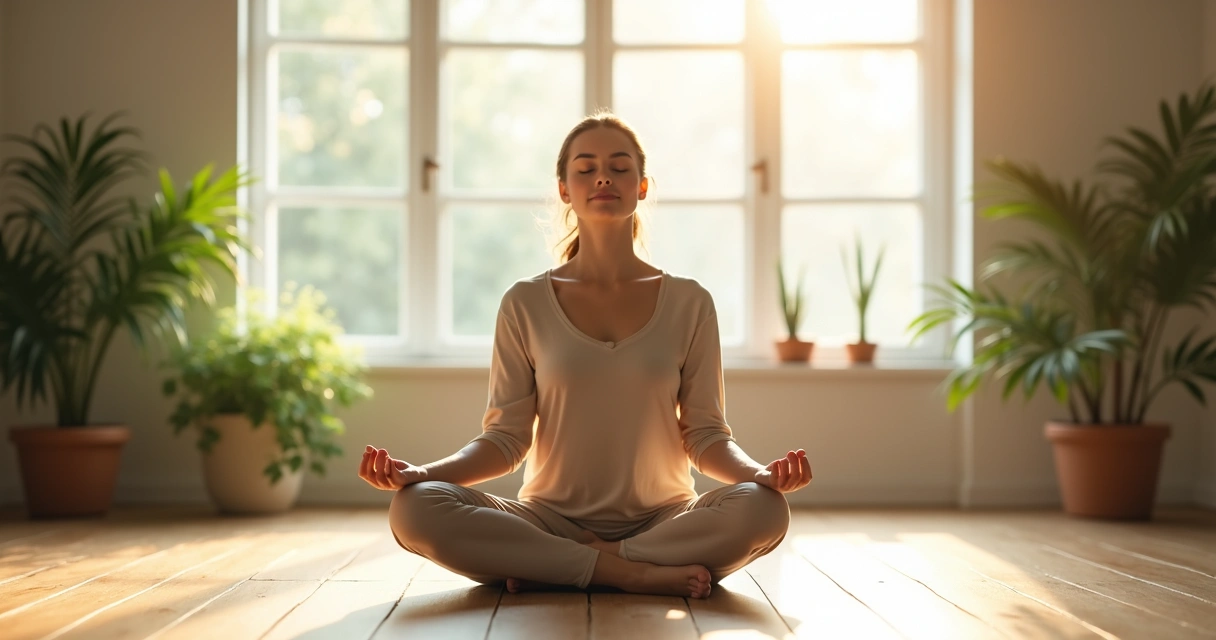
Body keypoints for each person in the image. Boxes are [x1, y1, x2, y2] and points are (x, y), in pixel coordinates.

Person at [358, 112, 812, 599]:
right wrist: (421, 475)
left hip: (665, 521)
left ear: (641, 187)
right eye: (586, 167)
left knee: (766, 509)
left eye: (619, 167)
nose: (603, 177)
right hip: (546, 521)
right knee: (413, 508)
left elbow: (704, 436)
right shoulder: (524, 302)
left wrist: (760, 475)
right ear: (563, 189)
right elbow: (505, 441)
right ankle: (629, 573)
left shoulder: (689, 302)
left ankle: (566, 568)